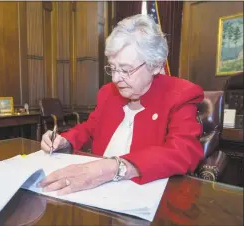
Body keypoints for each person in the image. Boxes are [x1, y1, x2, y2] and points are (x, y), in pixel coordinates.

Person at [37, 14, 204, 196]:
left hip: (145, 195)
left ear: (155, 65)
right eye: (113, 68)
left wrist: (115, 167)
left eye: (125, 70)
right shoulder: (108, 92)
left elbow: (183, 152)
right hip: (96, 192)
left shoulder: (181, 94)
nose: (116, 79)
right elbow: (91, 127)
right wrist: (65, 141)